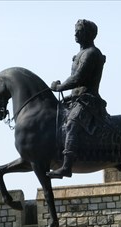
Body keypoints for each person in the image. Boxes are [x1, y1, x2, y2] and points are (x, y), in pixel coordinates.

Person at [46, 19, 107, 179]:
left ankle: (66, 167)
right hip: (77, 98)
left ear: (88, 34)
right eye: (75, 30)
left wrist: (59, 87)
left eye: (79, 31)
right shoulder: (81, 53)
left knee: (72, 123)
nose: (75, 33)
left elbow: (78, 78)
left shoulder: (92, 53)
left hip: (89, 100)